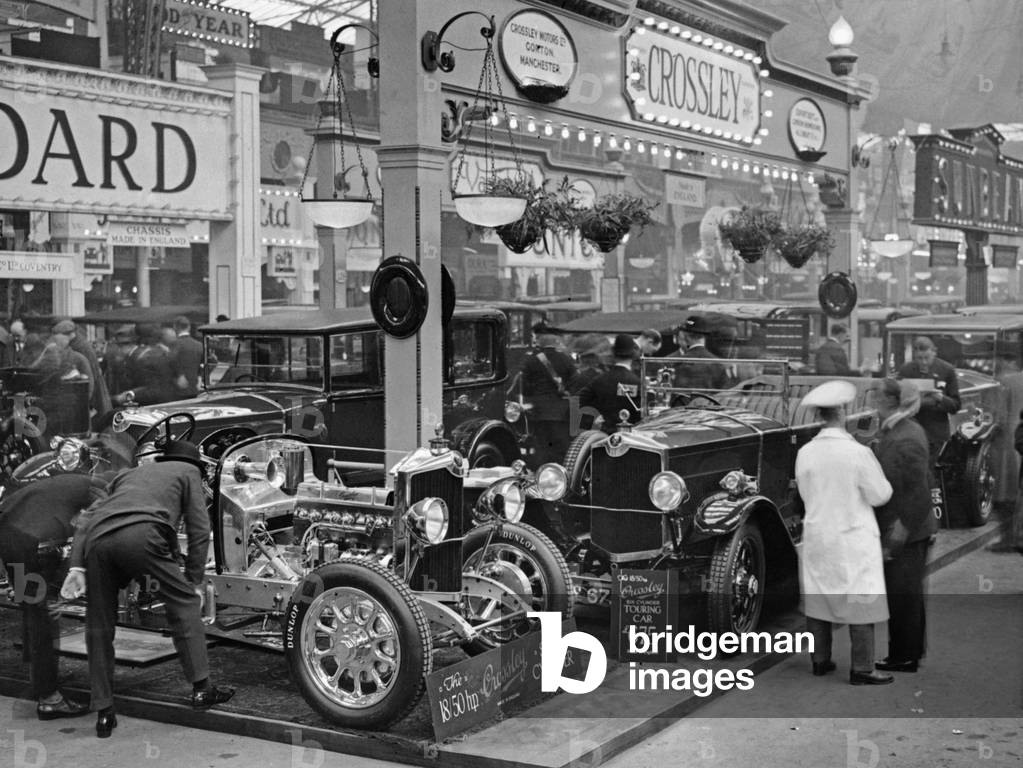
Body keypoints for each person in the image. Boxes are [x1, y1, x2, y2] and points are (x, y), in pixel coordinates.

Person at [61, 440, 234, 738]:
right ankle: (202, 689)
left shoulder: (128, 474)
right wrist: (193, 580)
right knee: (184, 604)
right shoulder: (188, 472)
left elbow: (87, 520)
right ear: (195, 464)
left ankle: (103, 711)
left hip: (98, 542)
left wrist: (76, 567)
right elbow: (199, 528)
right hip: (143, 536)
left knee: (98, 624)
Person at [794, 379, 894, 685]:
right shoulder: (857, 453)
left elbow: (803, 492)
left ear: (818, 416)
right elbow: (880, 494)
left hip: (818, 535)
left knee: (819, 598)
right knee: (860, 600)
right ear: (842, 413)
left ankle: (820, 661)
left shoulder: (806, 452)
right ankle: (862, 668)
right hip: (852, 537)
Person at [0, 475, 107, 720]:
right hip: (27, 542)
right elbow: (88, 527)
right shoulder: (101, 490)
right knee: (44, 616)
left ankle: (40, 678)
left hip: (9, 536)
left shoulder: (72, 482)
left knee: (31, 608)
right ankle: (49, 698)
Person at [871, 378, 936, 673]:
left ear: (890, 401)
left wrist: (898, 535)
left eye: (876, 396)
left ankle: (905, 656)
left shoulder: (905, 436)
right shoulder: (899, 430)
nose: (872, 401)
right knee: (905, 594)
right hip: (906, 527)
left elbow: (918, 494)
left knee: (903, 595)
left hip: (906, 529)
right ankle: (906, 652)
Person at [896, 336, 960, 464]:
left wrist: (940, 398)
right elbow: (896, 399)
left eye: (927, 358)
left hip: (935, 434)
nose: (924, 362)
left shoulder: (947, 370)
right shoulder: (906, 371)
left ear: (934, 352)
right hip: (910, 432)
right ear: (914, 355)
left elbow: (955, 406)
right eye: (919, 358)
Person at [520, 330, 576, 465]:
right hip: (561, 410)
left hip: (539, 411)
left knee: (541, 445)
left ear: (541, 344)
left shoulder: (532, 360)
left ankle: (541, 470)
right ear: (556, 343)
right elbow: (575, 381)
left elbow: (525, 387)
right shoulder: (566, 359)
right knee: (561, 445)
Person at [579, 334, 642, 432]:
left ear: (613, 353)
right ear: (634, 355)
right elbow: (641, 413)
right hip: (630, 434)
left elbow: (580, 399)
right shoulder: (636, 382)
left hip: (603, 432)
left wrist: (592, 419)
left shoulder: (599, 380)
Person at [113, 323, 177, 406]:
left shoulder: (144, 359)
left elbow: (154, 389)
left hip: (152, 405)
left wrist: (129, 395)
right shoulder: (145, 355)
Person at [673, 314, 728, 394]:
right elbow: (722, 393)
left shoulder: (678, 362)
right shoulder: (718, 364)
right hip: (709, 401)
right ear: (704, 337)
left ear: (686, 337)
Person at [170, 316, 203, 397]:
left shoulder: (173, 344)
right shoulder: (199, 345)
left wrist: (180, 374)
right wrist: (200, 377)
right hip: (195, 387)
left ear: (175, 327)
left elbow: (171, 361)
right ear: (189, 327)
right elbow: (207, 362)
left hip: (176, 389)